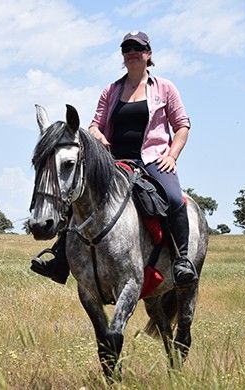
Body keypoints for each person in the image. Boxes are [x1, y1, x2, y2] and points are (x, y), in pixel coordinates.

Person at [31, 31, 198, 287]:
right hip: (114, 162)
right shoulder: (111, 90)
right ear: (122, 55)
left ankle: (182, 260)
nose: (132, 52)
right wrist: (98, 136)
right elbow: (95, 125)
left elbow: (182, 126)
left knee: (175, 198)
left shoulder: (165, 88)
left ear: (148, 54)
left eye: (138, 48)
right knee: (75, 197)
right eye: (126, 48)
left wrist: (172, 155)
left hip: (153, 161)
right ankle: (60, 259)